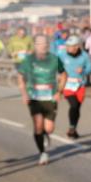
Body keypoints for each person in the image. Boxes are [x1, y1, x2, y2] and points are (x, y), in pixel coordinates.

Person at [17, 34, 67, 165]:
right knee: (38, 125)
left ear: (48, 46)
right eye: (39, 44)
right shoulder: (28, 60)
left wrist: (60, 91)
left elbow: (64, 74)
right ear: (35, 46)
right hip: (34, 97)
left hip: (50, 97)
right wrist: (24, 94)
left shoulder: (55, 59)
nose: (42, 46)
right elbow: (20, 77)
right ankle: (43, 153)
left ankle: (46, 134)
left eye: (44, 44)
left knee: (49, 128)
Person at [59, 35, 91, 139]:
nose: (68, 48)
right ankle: (72, 128)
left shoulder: (84, 56)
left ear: (77, 46)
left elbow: (90, 69)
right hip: (67, 85)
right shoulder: (62, 54)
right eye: (67, 46)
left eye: (70, 46)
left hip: (80, 85)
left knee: (77, 108)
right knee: (73, 105)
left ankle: (73, 128)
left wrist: (83, 71)